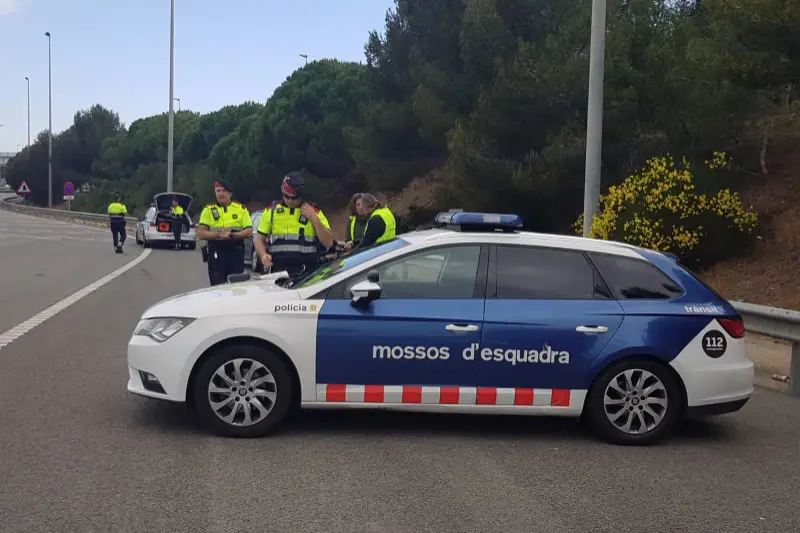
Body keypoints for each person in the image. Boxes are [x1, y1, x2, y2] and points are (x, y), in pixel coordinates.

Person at [253, 171, 334, 278]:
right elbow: (259, 240)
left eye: (294, 198)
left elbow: (329, 242)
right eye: (286, 196)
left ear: (301, 195)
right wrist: (263, 255)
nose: (290, 201)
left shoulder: (314, 212)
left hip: (306, 274)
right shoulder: (271, 212)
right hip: (278, 273)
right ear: (282, 191)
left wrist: (314, 219)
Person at [195, 180, 253, 286]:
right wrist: (219, 235)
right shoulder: (208, 210)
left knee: (236, 286)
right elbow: (201, 233)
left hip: (235, 252)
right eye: (218, 191)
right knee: (217, 286)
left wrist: (233, 235)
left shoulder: (241, 209)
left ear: (230, 193)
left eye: (224, 191)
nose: (221, 194)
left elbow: (249, 231)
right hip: (216, 252)